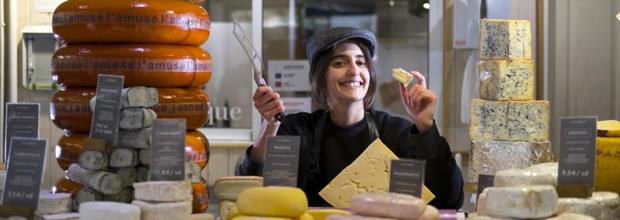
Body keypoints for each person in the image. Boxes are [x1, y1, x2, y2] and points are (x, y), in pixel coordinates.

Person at [237, 27, 464, 209]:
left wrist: (425, 127)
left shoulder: (398, 134)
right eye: (339, 62)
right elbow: (250, 190)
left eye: (360, 62)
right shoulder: (295, 130)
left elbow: (448, 200)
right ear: (320, 75)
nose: (354, 70)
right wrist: (269, 125)